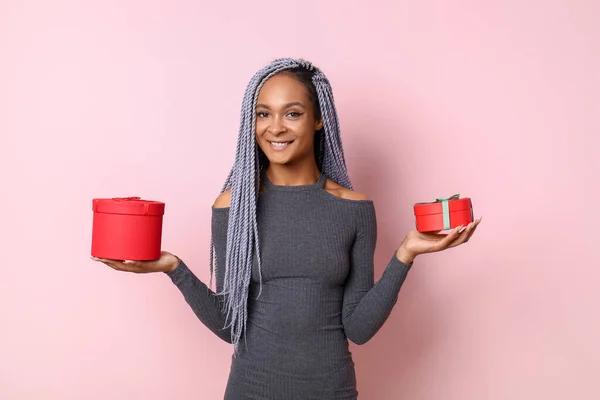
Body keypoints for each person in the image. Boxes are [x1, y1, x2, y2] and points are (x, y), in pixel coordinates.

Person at [92, 58, 481, 399]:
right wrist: (173, 268)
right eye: (263, 114)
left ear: (317, 119)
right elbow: (231, 325)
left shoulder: (354, 208)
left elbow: (359, 328)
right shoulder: (234, 207)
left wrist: (406, 254)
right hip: (251, 389)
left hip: (331, 390)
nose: (275, 127)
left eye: (291, 113)